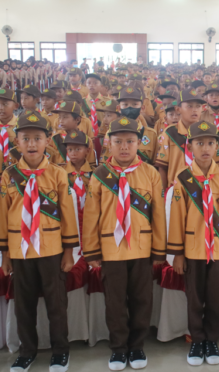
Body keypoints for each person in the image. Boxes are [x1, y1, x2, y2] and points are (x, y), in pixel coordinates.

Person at [82, 117, 166, 371]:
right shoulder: (100, 175)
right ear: (108, 144)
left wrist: (159, 250)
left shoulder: (150, 173)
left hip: (142, 247)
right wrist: (92, 250)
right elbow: (91, 216)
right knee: (115, 301)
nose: (124, 147)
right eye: (118, 142)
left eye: (130, 141)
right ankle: (118, 348)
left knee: (142, 299)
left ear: (139, 143)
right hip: (110, 249)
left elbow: (159, 214)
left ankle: (137, 346)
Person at [0, 113, 77, 372]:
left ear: (48, 141)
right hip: (21, 250)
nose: (31, 144)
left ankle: (60, 351)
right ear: (16, 142)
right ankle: (26, 350)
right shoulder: (10, 175)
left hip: (51, 249)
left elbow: (67, 214)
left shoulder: (58, 174)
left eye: (37, 138)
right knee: (23, 304)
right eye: (25, 138)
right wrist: (5, 255)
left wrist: (68, 251)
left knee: (56, 303)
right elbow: (2, 214)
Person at [168, 121, 219, 366]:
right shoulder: (184, 178)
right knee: (195, 297)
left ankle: (212, 339)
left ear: (217, 146)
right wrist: (177, 254)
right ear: (190, 148)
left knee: (215, 296)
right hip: (192, 248)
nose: (206, 148)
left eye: (210, 143)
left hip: (218, 248)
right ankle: (197, 340)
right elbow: (176, 218)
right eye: (200, 143)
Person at [155, 88, 204, 188]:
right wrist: (165, 193)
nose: (194, 110)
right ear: (178, 109)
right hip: (176, 188)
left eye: (198, 106)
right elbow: (163, 167)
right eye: (189, 106)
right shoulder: (170, 133)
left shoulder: (207, 132)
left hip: (201, 187)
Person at [0, 88, 18, 168]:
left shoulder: (21, 126)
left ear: (16, 106)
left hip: (15, 168)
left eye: (5, 104)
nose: (0, 108)